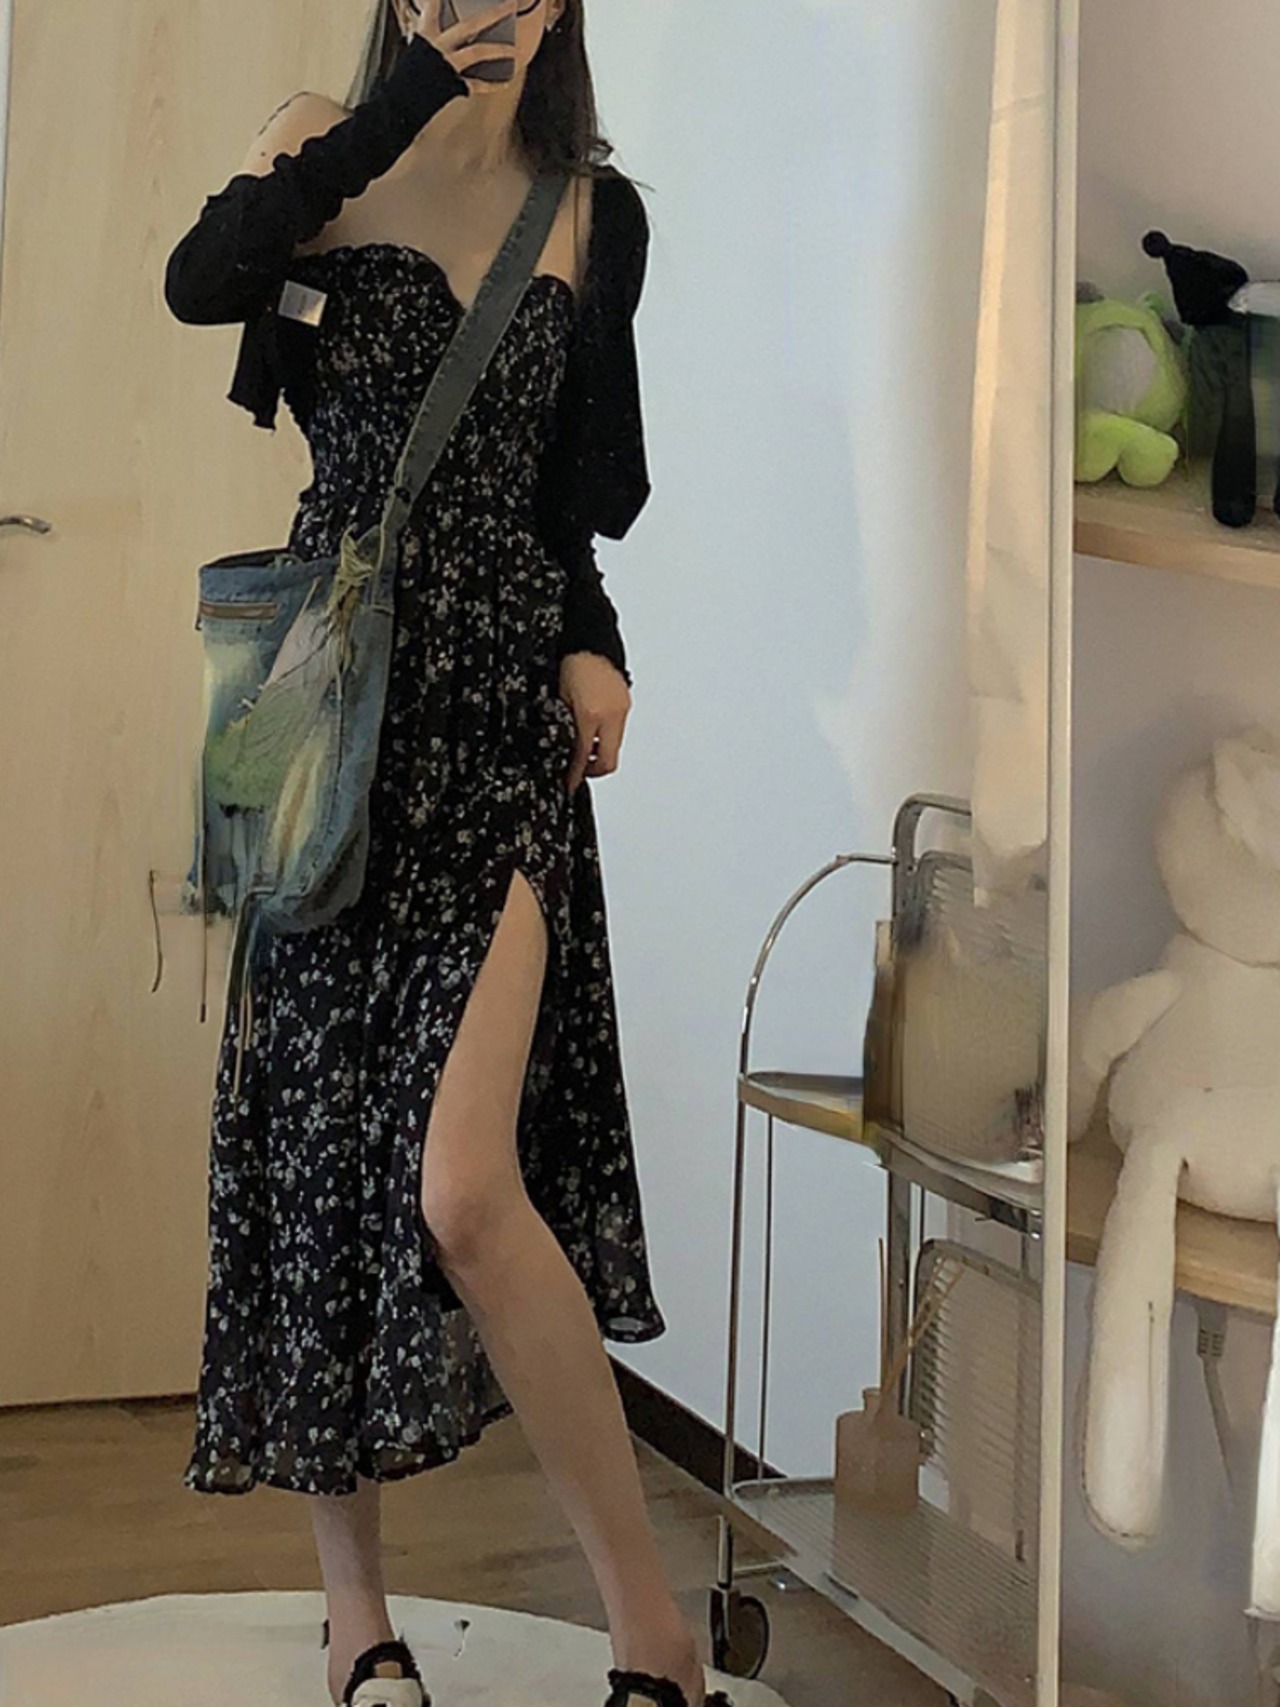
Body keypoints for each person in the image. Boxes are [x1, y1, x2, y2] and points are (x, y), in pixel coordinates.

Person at [163, 6, 732, 1706]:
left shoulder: (594, 214)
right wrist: (397, 104)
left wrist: (593, 638)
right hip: (328, 726)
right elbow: (200, 281)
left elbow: (564, 499)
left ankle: (655, 1636)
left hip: (496, 733)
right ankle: (358, 1619)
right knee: (317, 1160)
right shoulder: (319, 143)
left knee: (465, 1187)